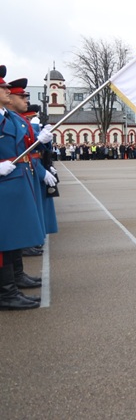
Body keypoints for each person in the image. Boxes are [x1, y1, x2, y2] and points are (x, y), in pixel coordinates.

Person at [0, 70, 53, 310]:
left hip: (16, 183)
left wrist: (41, 140)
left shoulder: (11, 118)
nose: (7, 91)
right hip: (5, 184)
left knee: (12, 238)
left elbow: (26, 148)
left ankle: (14, 281)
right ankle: (6, 293)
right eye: (3, 89)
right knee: (4, 240)